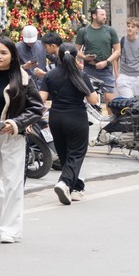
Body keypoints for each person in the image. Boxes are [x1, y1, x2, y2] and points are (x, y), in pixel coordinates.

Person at [0, 38, 41, 243]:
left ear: (13, 55)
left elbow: (37, 107)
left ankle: (10, 230)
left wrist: (16, 123)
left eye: (3, 53)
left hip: (13, 136)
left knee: (13, 183)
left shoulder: (23, 79)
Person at [41, 41, 99, 204]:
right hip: (76, 118)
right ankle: (64, 182)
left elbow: (41, 99)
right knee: (76, 153)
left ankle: (77, 188)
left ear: (58, 56)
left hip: (56, 118)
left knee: (65, 154)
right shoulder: (81, 75)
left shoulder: (50, 75)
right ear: (75, 57)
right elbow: (93, 100)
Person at [76, 8, 119, 95]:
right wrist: (84, 57)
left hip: (106, 70)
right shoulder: (83, 31)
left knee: (109, 99)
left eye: (105, 15)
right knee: (89, 98)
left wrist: (106, 62)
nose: (105, 17)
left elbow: (117, 50)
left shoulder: (110, 31)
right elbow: (75, 50)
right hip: (89, 69)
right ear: (94, 16)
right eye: (102, 15)